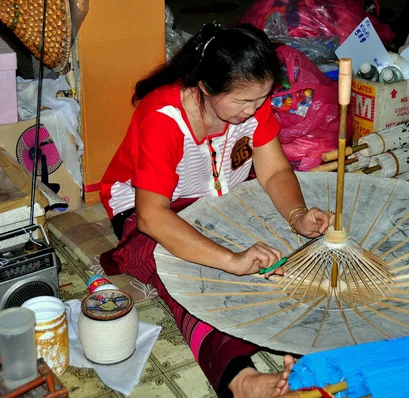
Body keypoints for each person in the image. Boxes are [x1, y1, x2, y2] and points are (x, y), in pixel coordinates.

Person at [99, 22, 333, 398]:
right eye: (243, 101)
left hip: (219, 200)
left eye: (262, 99)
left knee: (281, 257)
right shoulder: (163, 118)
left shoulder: (253, 107)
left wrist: (297, 215)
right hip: (152, 211)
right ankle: (241, 379)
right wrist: (229, 259)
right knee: (184, 274)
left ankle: (304, 351)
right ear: (205, 87)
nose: (254, 110)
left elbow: (273, 171)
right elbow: (152, 216)